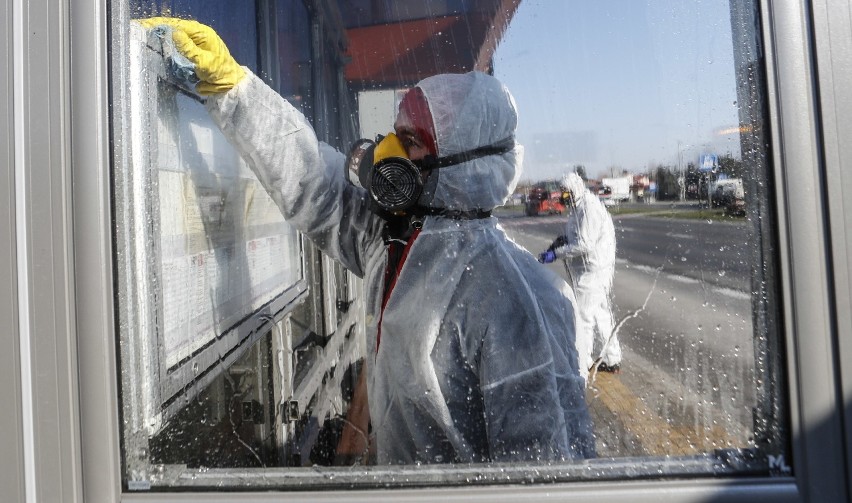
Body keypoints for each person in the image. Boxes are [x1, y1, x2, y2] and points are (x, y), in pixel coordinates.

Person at [137, 17, 595, 465]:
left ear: (462, 164)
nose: (385, 153)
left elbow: (547, 472)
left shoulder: (520, 304)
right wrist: (232, 89)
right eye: (394, 134)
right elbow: (314, 182)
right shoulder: (397, 241)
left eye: (410, 140)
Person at [539, 173, 621, 376]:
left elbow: (584, 244)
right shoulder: (579, 207)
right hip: (594, 268)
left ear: (574, 190)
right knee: (601, 314)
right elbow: (577, 235)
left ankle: (581, 364)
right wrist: (563, 240)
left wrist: (556, 253)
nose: (563, 198)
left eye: (565, 193)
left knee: (583, 316)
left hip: (593, 270)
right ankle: (611, 358)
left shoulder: (589, 208)